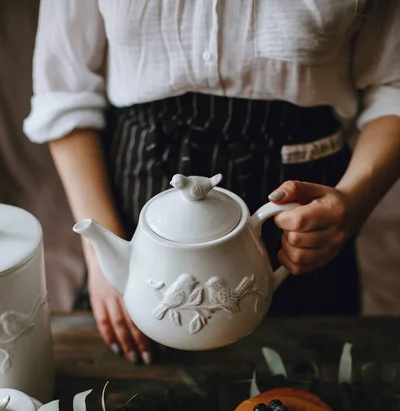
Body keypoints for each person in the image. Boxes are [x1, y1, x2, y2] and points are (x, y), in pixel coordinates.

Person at [24, 1, 400, 364]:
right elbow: (64, 90)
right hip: (136, 192)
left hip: (298, 212)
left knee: (308, 389)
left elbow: (393, 87)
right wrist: (103, 256)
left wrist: (351, 204)